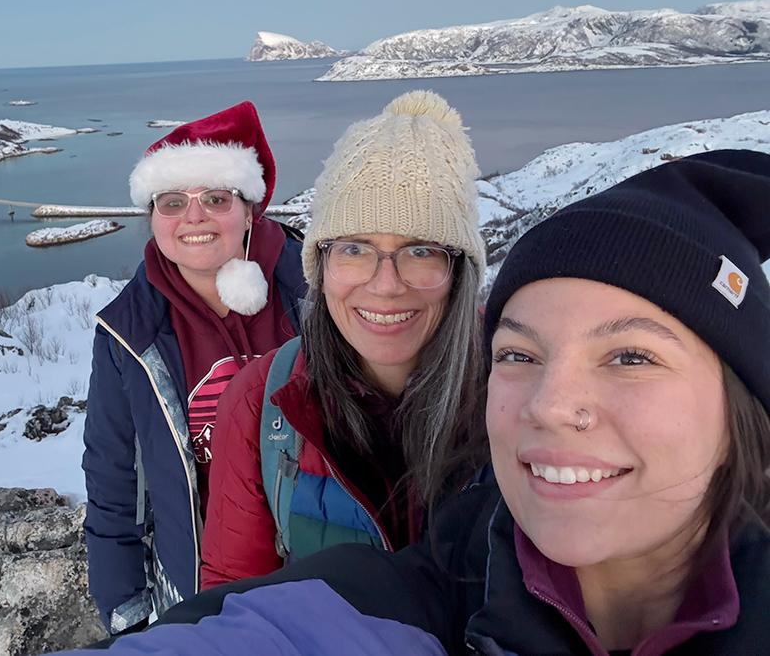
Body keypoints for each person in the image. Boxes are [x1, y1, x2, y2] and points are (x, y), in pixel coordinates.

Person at [88, 149, 770, 656]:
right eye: (522, 356)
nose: (551, 405)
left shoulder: (479, 464)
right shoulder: (441, 585)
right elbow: (239, 611)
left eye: (630, 357)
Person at [200, 91, 488, 589]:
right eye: (355, 249)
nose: (385, 283)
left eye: (420, 250)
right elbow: (233, 603)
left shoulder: (523, 386)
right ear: (322, 265)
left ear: (459, 270)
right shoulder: (261, 405)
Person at [82, 101, 307, 635]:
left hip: (322, 569)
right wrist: (129, 614)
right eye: (173, 202)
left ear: (250, 208)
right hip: (202, 586)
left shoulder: (315, 293)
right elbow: (114, 480)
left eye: (216, 198)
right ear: (153, 217)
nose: (195, 216)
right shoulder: (127, 334)